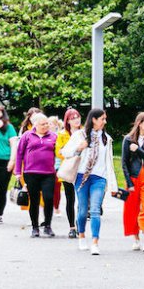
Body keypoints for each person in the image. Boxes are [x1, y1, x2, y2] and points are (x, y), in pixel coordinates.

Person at [61, 108, 118, 255]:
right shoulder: (79, 135)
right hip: (82, 177)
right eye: (102, 119)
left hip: (99, 178)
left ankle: (95, 242)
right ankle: (81, 236)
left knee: (94, 210)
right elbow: (65, 152)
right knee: (81, 211)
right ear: (94, 119)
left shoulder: (107, 138)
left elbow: (109, 163)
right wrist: (79, 148)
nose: (105, 122)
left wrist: (112, 184)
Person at [15, 113, 58, 238]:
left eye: (47, 123)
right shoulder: (27, 136)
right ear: (35, 124)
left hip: (48, 173)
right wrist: (18, 172)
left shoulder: (53, 136)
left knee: (49, 198)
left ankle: (48, 225)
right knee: (34, 200)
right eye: (43, 124)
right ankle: (35, 227)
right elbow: (19, 154)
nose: (46, 126)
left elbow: (60, 152)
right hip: (31, 173)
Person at [121, 111, 144, 252]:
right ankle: (136, 238)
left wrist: (139, 150)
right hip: (133, 178)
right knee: (132, 209)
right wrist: (129, 183)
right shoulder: (128, 139)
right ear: (140, 123)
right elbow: (124, 163)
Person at [56, 108, 82, 238]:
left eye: (77, 117)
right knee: (70, 199)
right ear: (68, 121)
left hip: (82, 169)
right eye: (73, 118)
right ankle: (72, 226)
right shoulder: (62, 134)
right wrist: (72, 151)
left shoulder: (84, 133)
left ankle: (80, 223)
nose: (76, 119)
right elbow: (59, 152)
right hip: (68, 169)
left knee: (82, 199)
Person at [48, 115, 63, 218]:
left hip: (58, 165)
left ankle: (56, 207)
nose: (49, 126)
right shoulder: (45, 135)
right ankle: (48, 206)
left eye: (51, 124)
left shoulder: (59, 136)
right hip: (47, 166)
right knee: (47, 188)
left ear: (56, 125)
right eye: (47, 123)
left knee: (56, 188)